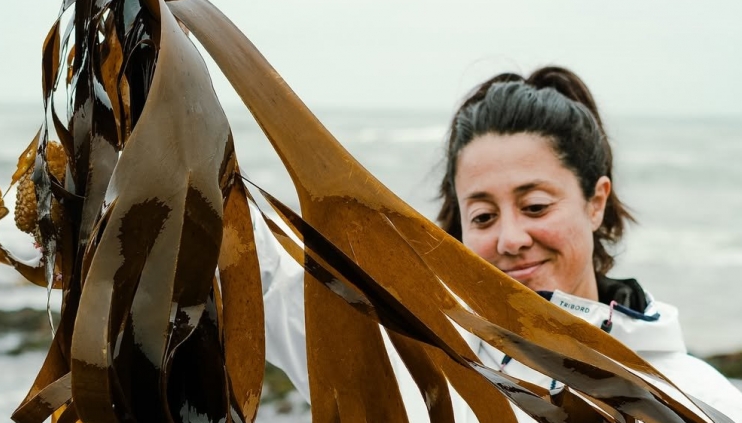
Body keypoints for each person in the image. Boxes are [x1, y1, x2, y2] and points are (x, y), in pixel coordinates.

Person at [256, 66, 742, 422]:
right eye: (484, 216)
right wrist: (176, 38)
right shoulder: (404, 361)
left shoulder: (698, 399)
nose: (510, 239)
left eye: (535, 207)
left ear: (596, 202)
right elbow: (250, 261)